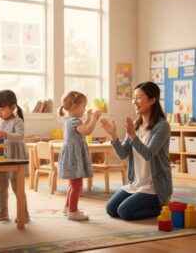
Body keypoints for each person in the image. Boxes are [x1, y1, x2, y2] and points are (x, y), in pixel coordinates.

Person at [100, 81, 172, 221]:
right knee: (111, 209)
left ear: (152, 100)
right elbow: (122, 154)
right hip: (136, 183)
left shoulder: (162, 126)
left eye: (138, 97)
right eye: (133, 98)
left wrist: (132, 135)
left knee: (125, 212)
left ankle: (162, 206)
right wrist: (114, 135)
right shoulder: (135, 125)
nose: (134, 101)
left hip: (154, 187)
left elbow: (148, 154)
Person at [58, 91, 101, 221]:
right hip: (74, 158)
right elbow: (87, 131)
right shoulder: (75, 121)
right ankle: (73, 211)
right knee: (77, 186)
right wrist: (94, 119)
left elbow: (82, 126)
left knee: (72, 185)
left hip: (71, 156)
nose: (85, 109)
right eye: (83, 106)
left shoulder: (69, 120)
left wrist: (87, 118)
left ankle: (68, 207)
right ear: (74, 107)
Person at [0, 89, 30, 223]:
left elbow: (20, 136)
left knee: (17, 187)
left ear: (13, 107)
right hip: (0, 157)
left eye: (1, 109)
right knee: (2, 186)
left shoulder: (17, 121)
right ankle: (3, 212)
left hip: (15, 158)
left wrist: (6, 135)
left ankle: (24, 213)